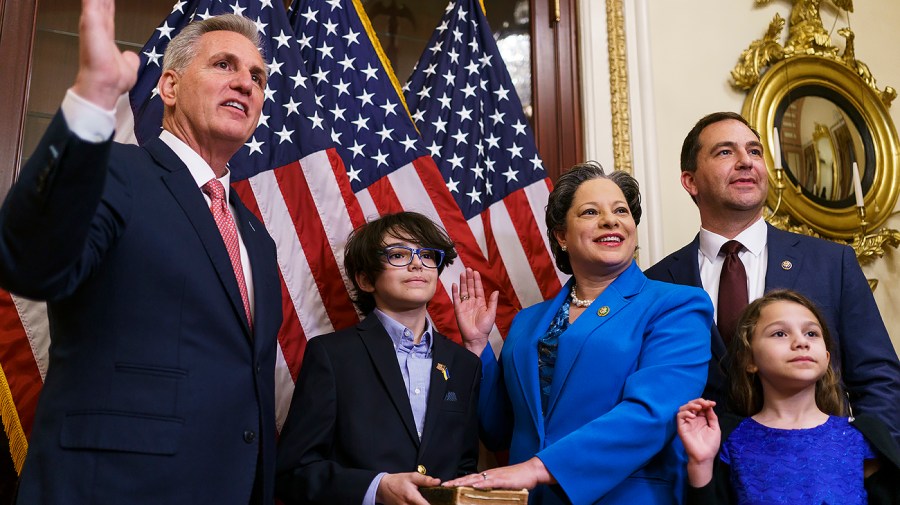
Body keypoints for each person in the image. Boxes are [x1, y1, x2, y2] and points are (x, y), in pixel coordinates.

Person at [0, 2, 282, 503]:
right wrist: (93, 99)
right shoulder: (114, 170)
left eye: (257, 77)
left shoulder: (257, 237)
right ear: (169, 87)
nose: (246, 83)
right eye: (224, 65)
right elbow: (31, 261)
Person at [443, 162, 714, 504]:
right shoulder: (527, 322)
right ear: (561, 236)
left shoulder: (677, 305)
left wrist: (540, 468)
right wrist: (477, 345)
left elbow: (653, 414)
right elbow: (498, 429)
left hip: (626, 496)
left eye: (621, 210)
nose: (610, 220)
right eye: (590, 211)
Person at [644, 111, 900, 445]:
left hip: (817, 474)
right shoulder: (658, 282)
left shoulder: (831, 262)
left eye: (754, 151)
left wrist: (866, 457)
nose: (745, 162)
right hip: (702, 481)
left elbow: (878, 377)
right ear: (691, 181)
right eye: (725, 152)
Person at [275, 212, 482, 505]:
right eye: (397, 254)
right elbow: (292, 472)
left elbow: (464, 467)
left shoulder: (464, 363)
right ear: (365, 279)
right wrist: (376, 488)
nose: (416, 264)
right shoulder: (332, 356)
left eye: (427, 255)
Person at [677, 289, 900, 504]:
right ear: (749, 359)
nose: (801, 342)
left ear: (826, 355)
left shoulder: (863, 436)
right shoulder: (728, 438)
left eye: (811, 333)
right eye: (780, 333)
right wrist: (701, 464)